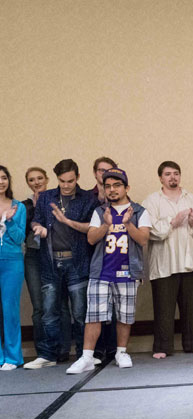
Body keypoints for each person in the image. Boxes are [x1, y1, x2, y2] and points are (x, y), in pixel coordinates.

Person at [66, 168, 151, 374]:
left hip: (128, 272)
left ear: (126, 187)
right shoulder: (99, 212)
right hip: (101, 272)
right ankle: (87, 357)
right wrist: (107, 224)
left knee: (124, 315)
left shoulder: (139, 211)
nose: (112, 190)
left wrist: (126, 223)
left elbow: (143, 239)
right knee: (93, 315)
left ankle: (121, 352)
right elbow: (92, 238)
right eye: (108, 186)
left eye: (117, 185)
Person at [24, 159, 99, 369]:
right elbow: (35, 219)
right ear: (56, 179)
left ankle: (85, 355)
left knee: (79, 312)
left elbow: (92, 228)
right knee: (49, 311)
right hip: (50, 262)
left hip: (77, 262)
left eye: (70, 181)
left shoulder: (87, 198)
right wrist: (39, 227)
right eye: (62, 181)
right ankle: (47, 354)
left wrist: (67, 222)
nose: (66, 185)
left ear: (78, 177)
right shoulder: (47, 197)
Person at [143, 161, 193, 358]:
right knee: (164, 307)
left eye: (176, 173)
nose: (173, 177)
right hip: (164, 263)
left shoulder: (192, 198)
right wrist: (174, 222)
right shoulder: (152, 201)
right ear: (160, 178)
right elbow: (152, 231)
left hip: (191, 262)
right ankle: (162, 348)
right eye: (168, 174)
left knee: (192, 306)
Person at [21, 167, 73, 366]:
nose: (36, 182)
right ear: (28, 183)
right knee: (39, 306)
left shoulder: (56, 199)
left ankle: (62, 349)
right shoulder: (24, 205)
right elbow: (25, 231)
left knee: (60, 304)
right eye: (32, 179)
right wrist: (34, 208)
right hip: (34, 256)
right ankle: (43, 351)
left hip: (54, 255)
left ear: (47, 179)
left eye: (40, 178)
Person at [90, 156, 119, 361]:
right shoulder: (86, 197)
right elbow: (87, 230)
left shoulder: (120, 195)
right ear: (95, 173)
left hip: (117, 257)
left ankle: (114, 348)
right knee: (96, 308)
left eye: (109, 170)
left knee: (117, 307)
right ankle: (96, 350)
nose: (104, 173)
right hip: (93, 257)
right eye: (101, 170)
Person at [0, 166, 26, 370]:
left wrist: (9, 221)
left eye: (4, 178)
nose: (1, 182)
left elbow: (19, 238)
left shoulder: (19, 207)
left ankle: (13, 357)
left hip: (12, 261)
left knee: (10, 309)